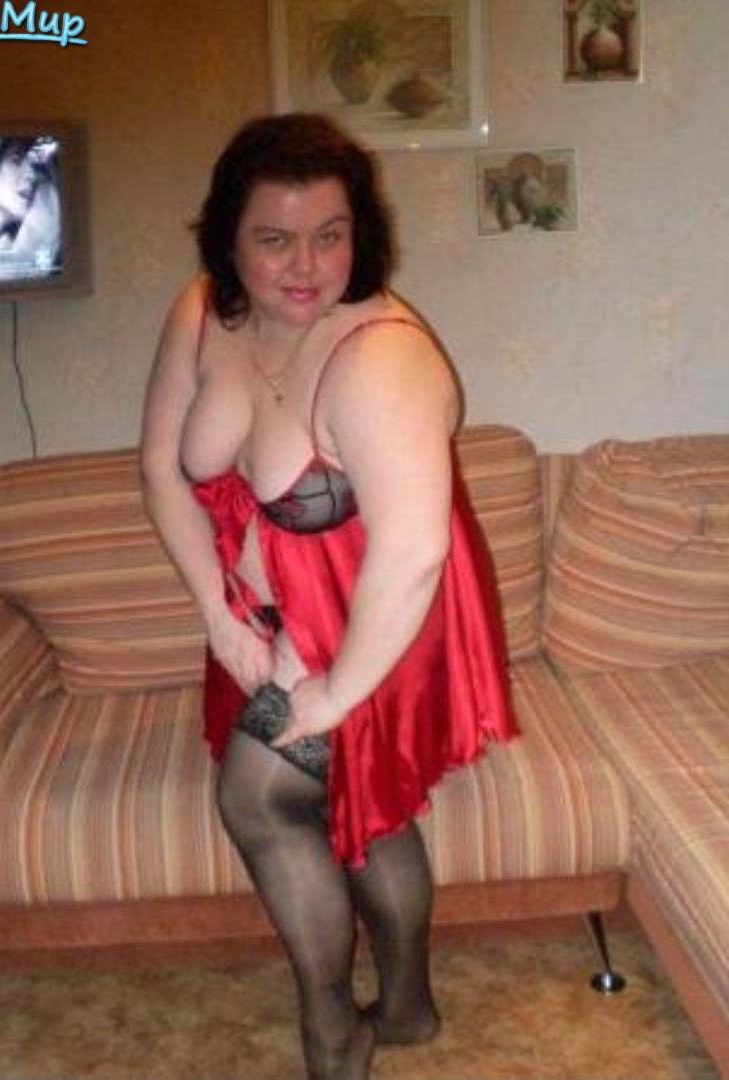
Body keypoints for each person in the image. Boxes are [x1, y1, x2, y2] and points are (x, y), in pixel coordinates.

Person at [141, 112, 517, 1080]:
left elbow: (414, 553)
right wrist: (219, 617)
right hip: (260, 622)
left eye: (331, 235)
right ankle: (408, 1007)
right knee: (353, 805)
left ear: (362, 231)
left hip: (378, 624)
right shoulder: (205, 311)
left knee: (261, 796)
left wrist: (335, 692)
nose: (304, 267)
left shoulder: (380, 356)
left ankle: (333, 1029)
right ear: (227, 238)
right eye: (273, 239)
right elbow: (161, 469)